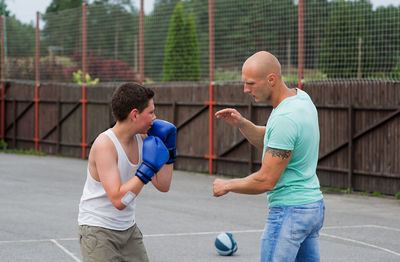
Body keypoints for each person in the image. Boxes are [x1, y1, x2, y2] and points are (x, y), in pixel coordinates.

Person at [213, 51, 325, 262]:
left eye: (251, 83)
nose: (246, 89)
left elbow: (266, 180)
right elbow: (275, 140)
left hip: (290, 212)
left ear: (271, 79)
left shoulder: (285, 118)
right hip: (312, 207)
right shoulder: (300, 98)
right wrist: (242, 124)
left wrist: (227, 185)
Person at [78, 82, 177, 262]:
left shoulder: (144, 138)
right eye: (151, 112)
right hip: (98, 230)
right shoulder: (105, 145)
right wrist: (146, 170)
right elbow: (118, 200)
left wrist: (169, 152)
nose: (155, 118)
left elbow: (163, 185)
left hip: (128, 229)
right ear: (134, 114)